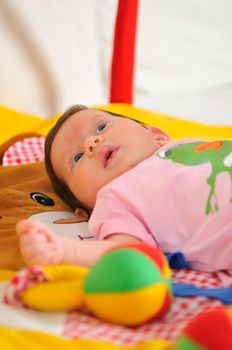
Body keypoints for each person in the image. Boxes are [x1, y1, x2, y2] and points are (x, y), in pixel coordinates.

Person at [16, 105, 232, 285]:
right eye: (77, 158)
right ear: (84, 212)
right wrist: (66, 250)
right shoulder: (115, 199)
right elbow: (126, 252)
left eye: (101, 126)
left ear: (157, 135)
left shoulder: (188, 145)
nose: (91, 142)